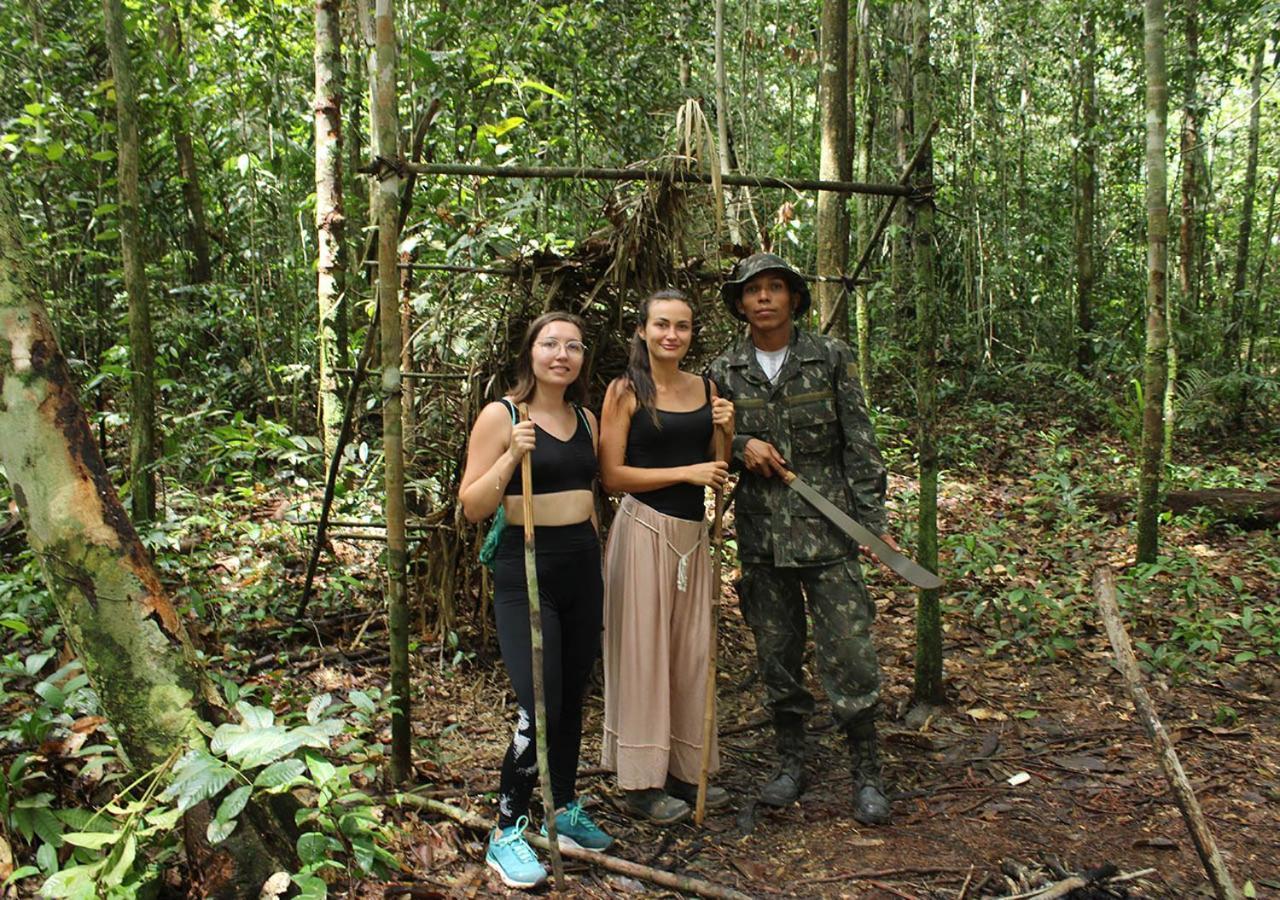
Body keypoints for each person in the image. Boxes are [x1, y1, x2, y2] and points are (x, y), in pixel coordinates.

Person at [707, 253, 901, 825]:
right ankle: (790, 762)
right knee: (777, 655)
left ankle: (867, 769)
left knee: (851, 654)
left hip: (829, 532)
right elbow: (708, 443)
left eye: (775, 288)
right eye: (752, 291)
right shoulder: (724, 370)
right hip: (762, 538)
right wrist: (742, 445)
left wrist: (872, 524)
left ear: (793, 298)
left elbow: (860, 445)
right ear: (739, 304)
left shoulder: (831, 356)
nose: (764, 298)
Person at [459, 311, 613, 890]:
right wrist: (510, 455)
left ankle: (564, 807)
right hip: (525, 569)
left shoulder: (588, 419)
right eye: (550, 344)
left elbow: (591, 497)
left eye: (573, 346)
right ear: (531, 353)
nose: (561, 354)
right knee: (539, 700)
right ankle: (506, 831)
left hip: (580, 565)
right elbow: (472, 506)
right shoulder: (504, 415)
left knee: (572, 693)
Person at [598, 289, 735, 824]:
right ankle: (640, 782)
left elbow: (717, 468)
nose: (671, 335)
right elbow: (612, 476)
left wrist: (724, 429)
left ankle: (685, 767)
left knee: (689, 651)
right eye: (661, 325)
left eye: (681, 326)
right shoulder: (626, 390)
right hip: (642, 529)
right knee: (643, 653)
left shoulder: (707, 388)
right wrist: (685, 473)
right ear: (643, 331)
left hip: (691, 536)